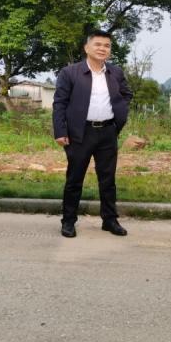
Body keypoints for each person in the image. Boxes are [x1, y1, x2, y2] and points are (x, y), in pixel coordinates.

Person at [52, 30, 133, 238]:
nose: (102, 49)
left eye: (107, 45)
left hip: (107, 132)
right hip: (80, 133)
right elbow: (59, 103)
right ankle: (68, 221)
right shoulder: (70, 73)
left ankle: (110, 220)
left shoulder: (115, 72)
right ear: (87, 48)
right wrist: (60, 131)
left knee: (108, 180)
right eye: (98, 44)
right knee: (74, 179)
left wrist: (119, 115)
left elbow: (126, 94)